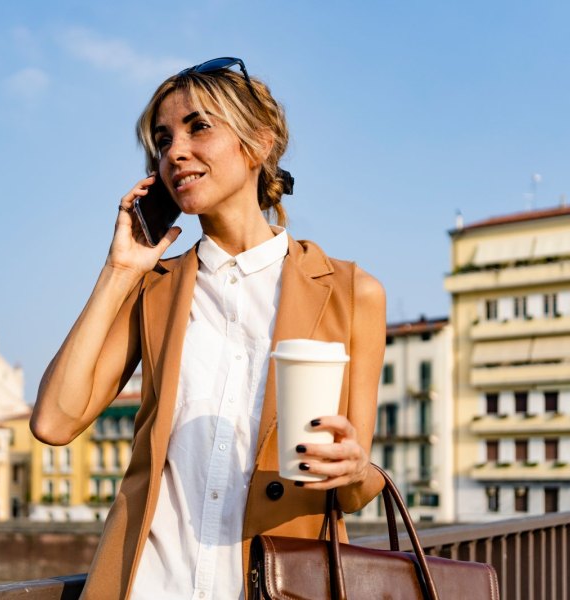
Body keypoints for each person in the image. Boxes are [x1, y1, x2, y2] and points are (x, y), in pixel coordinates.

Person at [30, 57, 386, 600]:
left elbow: (359, 486)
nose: (175, 151)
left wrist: (355, 466)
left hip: (280, 587)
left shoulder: (352, 292)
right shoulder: (154, 288)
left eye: (199, 127)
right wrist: (120, 270)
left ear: (259, 143)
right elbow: (54, 421)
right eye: (162, 138)